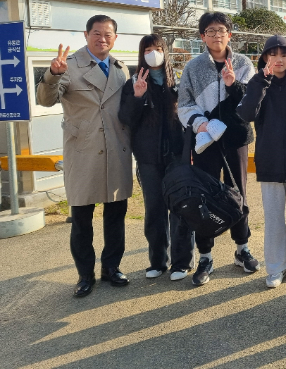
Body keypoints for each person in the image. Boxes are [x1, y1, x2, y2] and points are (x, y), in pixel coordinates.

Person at [36, 15, 133, 297]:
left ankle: (111, 268)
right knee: (81, 218)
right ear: (86, 34)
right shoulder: (69, 66)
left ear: (115, 38)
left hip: (116, 150)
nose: (102, 38)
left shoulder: (120, 68)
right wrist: (52, 74)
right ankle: (84, 274)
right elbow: (46, 100)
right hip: (84, 152)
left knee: (116, 215)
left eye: (108, 34)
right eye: (96, 33)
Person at [177, 12, 259, 286]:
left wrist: (231, 84)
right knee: (204, 195)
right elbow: (184, 103)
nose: (216, 35)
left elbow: (250, 101)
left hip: (235, 138)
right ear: (202, 37)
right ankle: (206, 255)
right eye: (210, 31)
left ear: (229, 35)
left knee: (238, 193)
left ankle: (242, 249)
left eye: (221, 30)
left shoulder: (244, 63)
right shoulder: (193, 67)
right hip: (205, 141)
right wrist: (201, 124)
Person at [237, 35, 286, 288]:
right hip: (269, 159)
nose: (278, 59)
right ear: (265, 58)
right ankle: (275, 267)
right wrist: (262, 82)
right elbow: (246, 113)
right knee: (272, 218)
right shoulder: (257, 82)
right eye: (273, 54)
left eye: (284, 54)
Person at [118, 34, 194, 281]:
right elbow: (126, 119)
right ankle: (157, 261)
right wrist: (138, 97)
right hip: (148, 158)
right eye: (148, 49)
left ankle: (182, 262)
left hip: (176, 156)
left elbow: (187, 118)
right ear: (142, 54)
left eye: (158, 48)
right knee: (154, 210)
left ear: (165, 52)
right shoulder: (134, 82)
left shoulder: (178, 82)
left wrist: (188, 152)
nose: (153, 53)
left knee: (180, 208)